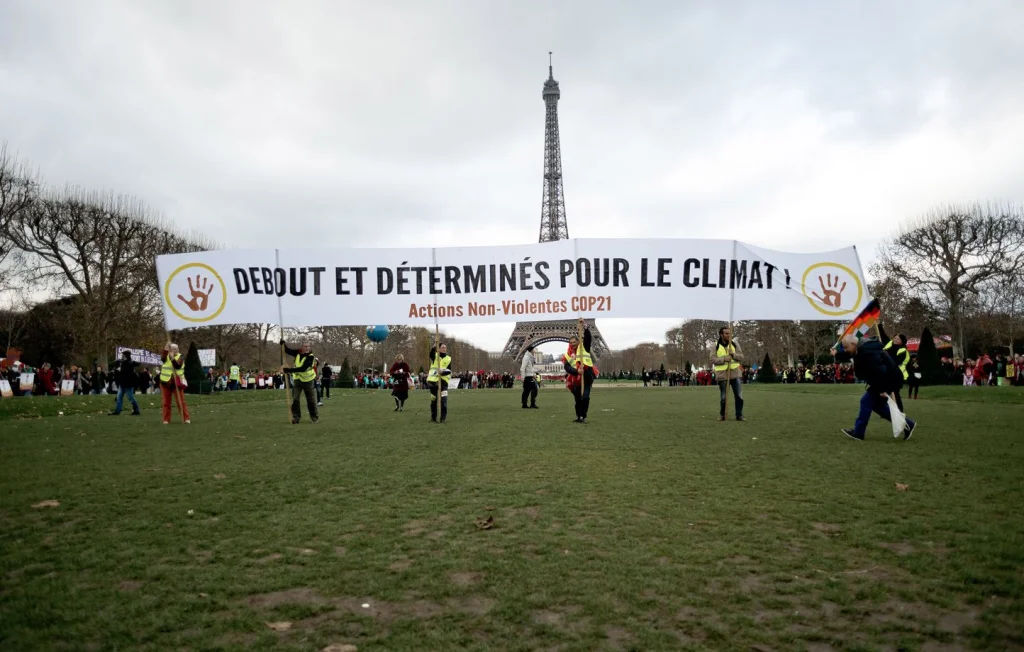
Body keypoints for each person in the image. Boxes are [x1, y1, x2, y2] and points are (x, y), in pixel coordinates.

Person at [832, 335, 916, 441]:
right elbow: (849, 355)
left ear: (853, 344)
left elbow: (881, 371)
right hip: (884, 379)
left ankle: (858, 433)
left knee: (865, 401)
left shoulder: (868, 352)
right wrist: (836, 354)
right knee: (877, 406)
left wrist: (882, 390)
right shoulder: (861, 349)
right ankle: (908, 424)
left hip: (887, 379)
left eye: (846, 347)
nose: (845, 350)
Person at [563, 318, 597, 423]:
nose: (573, 344)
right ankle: (579, 416)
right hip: (575, 379)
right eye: (571, 342)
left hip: (586, 377)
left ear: (578, 341)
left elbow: (588, 338)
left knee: (585, 397)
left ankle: (583, 416)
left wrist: (584, 326)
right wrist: (576, 372)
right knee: (578, 399)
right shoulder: (567, 354)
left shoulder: (584, 348)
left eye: (574, 342)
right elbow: (567, 367)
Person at [279, 339, 318, 424]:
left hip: (308, 381)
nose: (307, 348)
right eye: (305, 346)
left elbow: (303, 369)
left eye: (308, 346)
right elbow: (287, 351)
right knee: (295, 399)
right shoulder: (297, 352)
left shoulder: (311, 357)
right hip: (297, 380)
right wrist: (283, 344)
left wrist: (289, 370)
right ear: (302, 347)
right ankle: (296, 417)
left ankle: (314, 417)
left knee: (311, 400)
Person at [711, 326, 744, 421]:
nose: (729, 335)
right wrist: (724, 359)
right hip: (722, 375)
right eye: (726, 333)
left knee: (739, 396)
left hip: (735, 373)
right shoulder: (715, 345)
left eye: (730, 333)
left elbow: (741, 356)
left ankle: (739, 415)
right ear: (721, 334)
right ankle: (723, 415)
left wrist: (733, 355)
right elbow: (712, 359)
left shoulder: (735, 343)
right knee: (724, 397)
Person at [160, 343, 190, 424]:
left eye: (175, 348)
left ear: (178, 349)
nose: (173, 350)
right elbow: (162, 358)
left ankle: (186, 418)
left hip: (177, 383)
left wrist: (172, 358)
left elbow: (178, 366)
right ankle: (166, 419)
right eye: (172, 348)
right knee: (166, 403)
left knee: (180, 402)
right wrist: (166, 348)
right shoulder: (166, 356)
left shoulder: (181, 357)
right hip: (165, 382)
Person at [883, 333, 910, 411]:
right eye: (895, 338)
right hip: (888, 374)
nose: (895, 339)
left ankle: (899, 410)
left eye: (898, 339)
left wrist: (886, 356)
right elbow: (883, 337)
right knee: (886, 393)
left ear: (902, 341)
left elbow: (895, 361)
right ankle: (888, 410)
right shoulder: (890, 347)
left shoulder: (903, 351)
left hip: (897, 375)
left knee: (895, 393)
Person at [109, 350, 140, 416]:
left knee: (130, 397)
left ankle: (136, 410)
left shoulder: (127, 363)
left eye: (123, 355)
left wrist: (119, 370)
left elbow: (126, 373)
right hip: (123, 383)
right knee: (119, 397)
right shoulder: (126, 362)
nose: (121, 356)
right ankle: (117, 411)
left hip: (127, 384)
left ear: (125, 355)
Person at [427, 342, 452, 423]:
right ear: (439, 348)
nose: (444, 349)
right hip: (433, 382)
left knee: (444, 401)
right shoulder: (435, 356)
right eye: (442, 347)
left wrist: (443, 372)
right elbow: (431, 354)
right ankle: (433, 418)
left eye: (445, 347)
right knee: (433, 401)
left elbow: (449, 371)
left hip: (443, 382)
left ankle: (443, 418)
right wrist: (434, 346)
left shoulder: (448, 358)